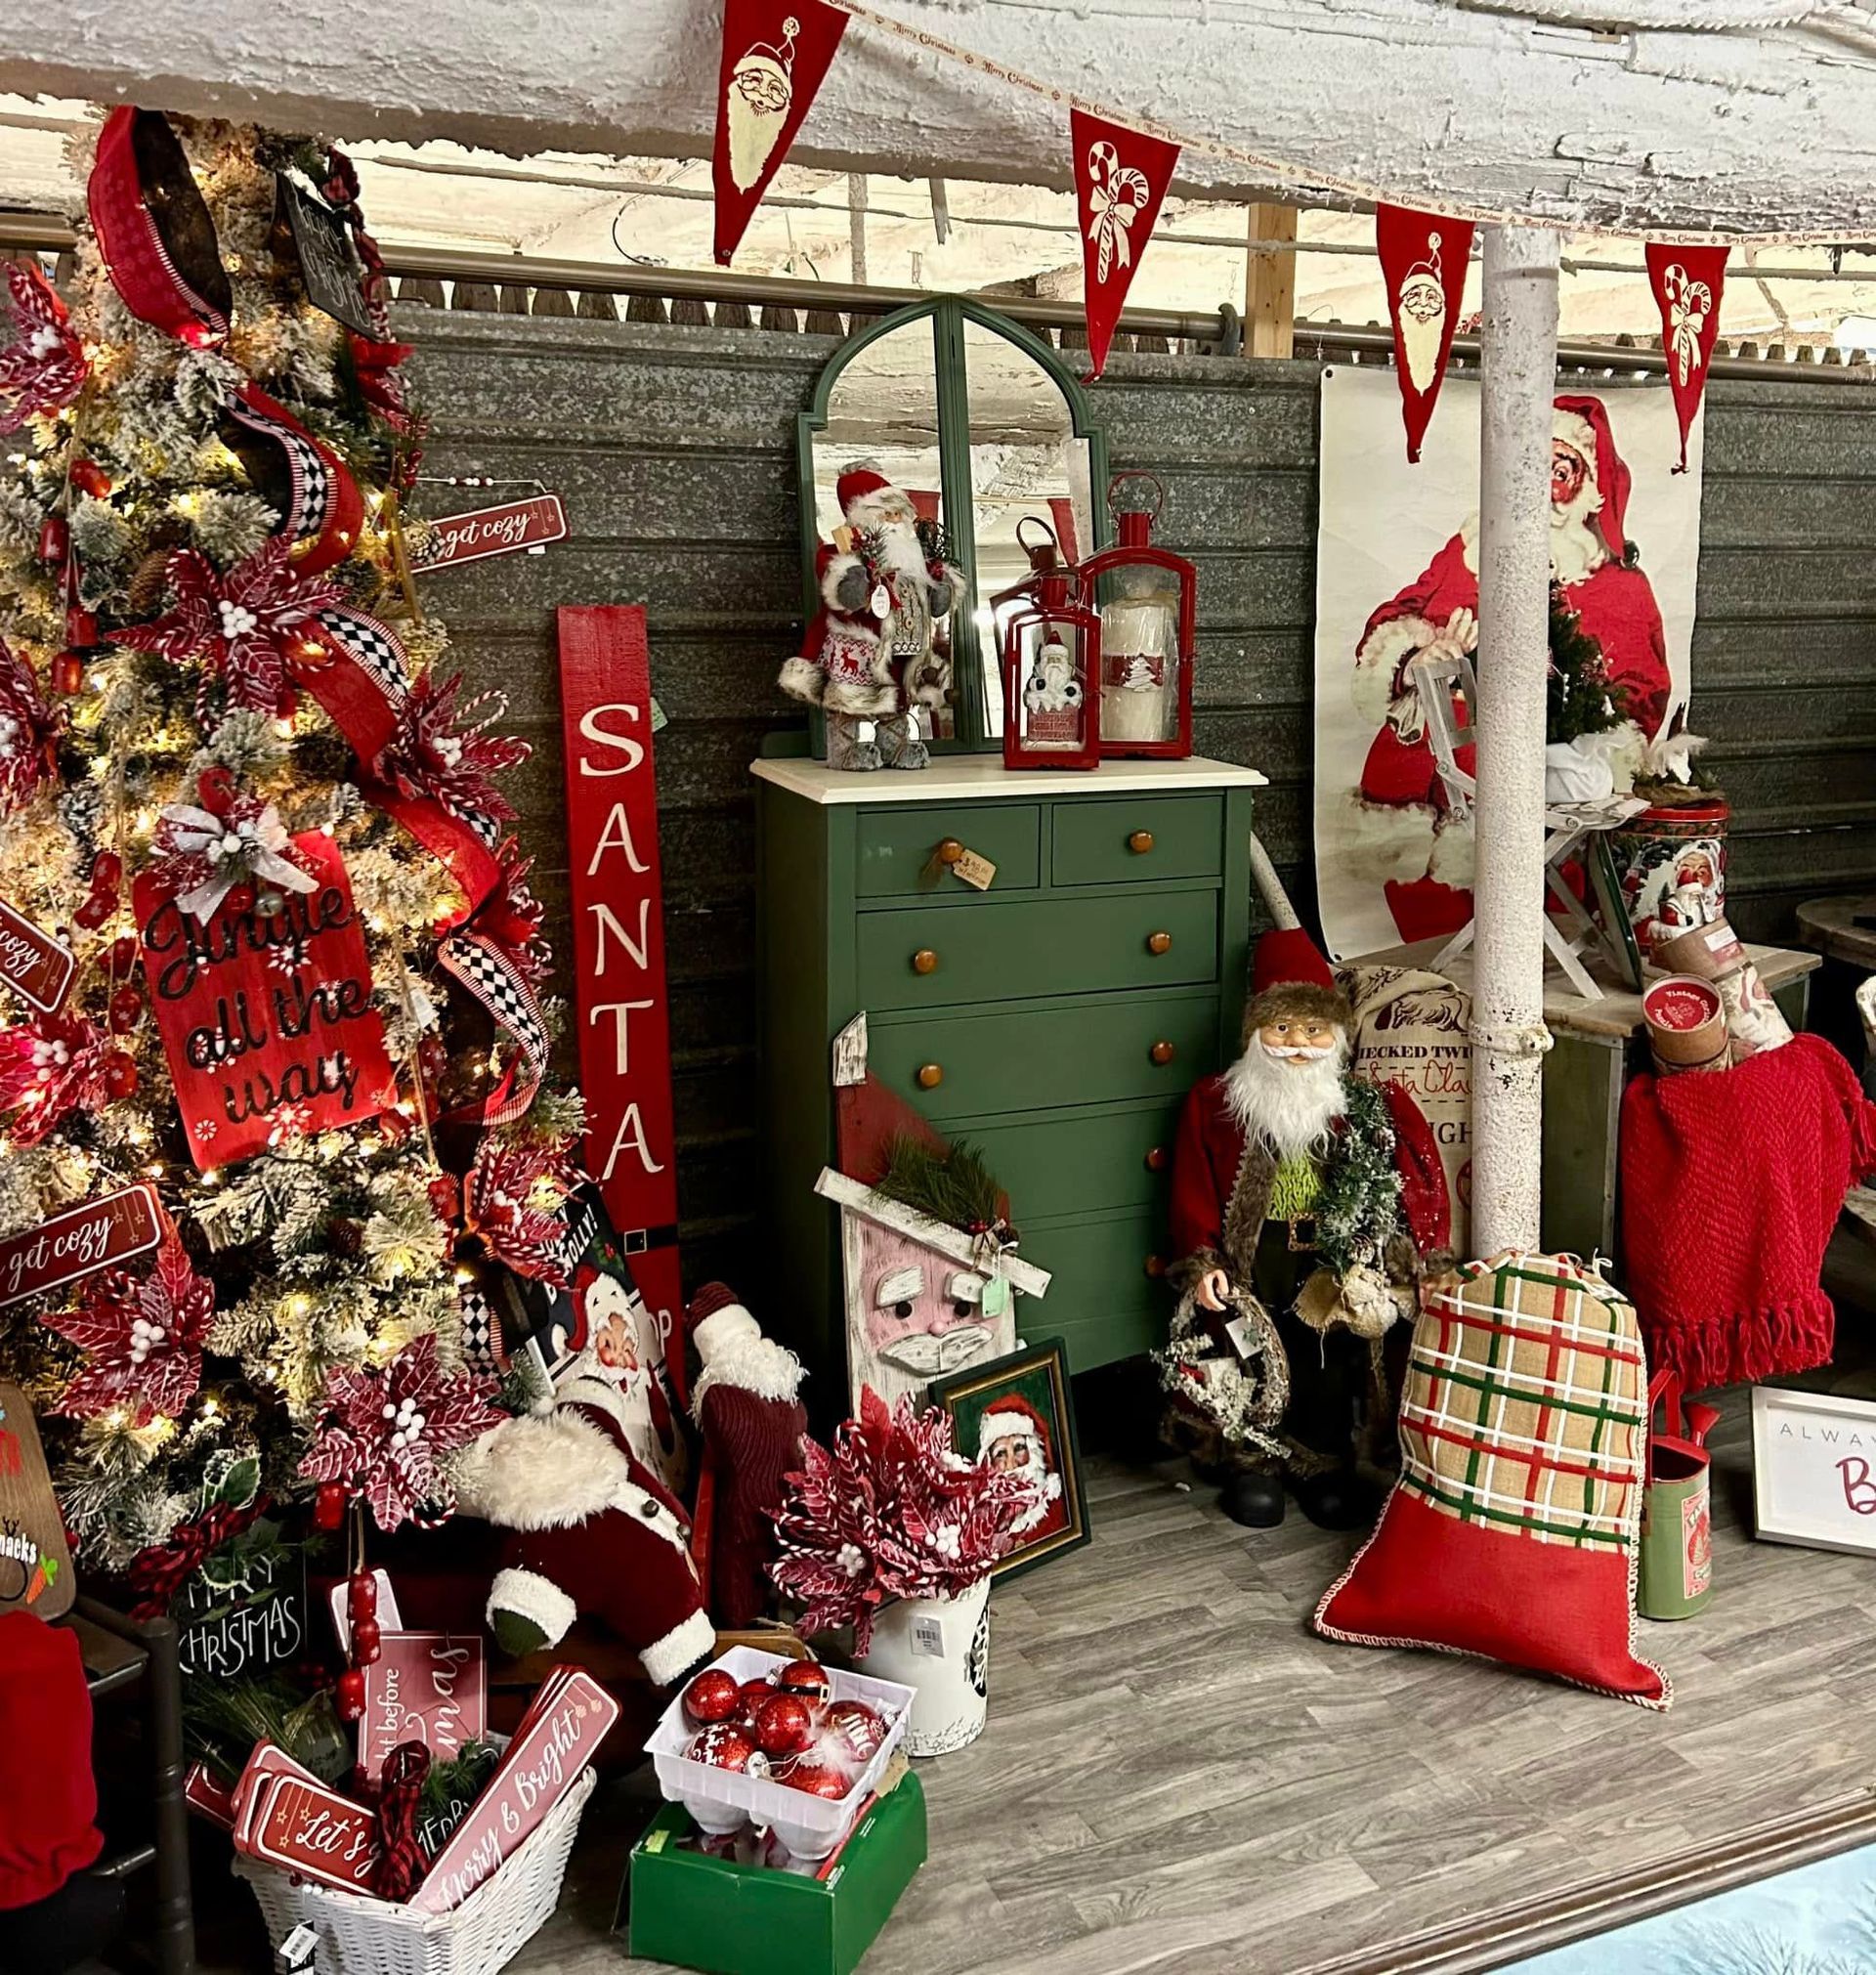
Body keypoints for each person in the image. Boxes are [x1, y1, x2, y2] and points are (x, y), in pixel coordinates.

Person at [1352, 396, 1673, 943]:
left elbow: (1641, 696)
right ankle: (1444, 950)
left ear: (1588, 488)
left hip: (1546, 768)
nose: (1543, 487)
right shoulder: (1468, 552)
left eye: (1562, 471)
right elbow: (1395, 617)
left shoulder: (1621, 587)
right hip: (1441, 770)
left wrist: (1574, 720)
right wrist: (1418, 657)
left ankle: (1519, 944)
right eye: (1531, 470)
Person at [1165, 928, 1450, 1529]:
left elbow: (1415, 1180)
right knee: (1249, 1356)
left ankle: (1322, 1463)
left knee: (1326, 1359)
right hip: (1255, 1257)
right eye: (1283, 1028)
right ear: (1256, 1032)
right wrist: (1203, 1261)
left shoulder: (1367, 1105)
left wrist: (1418, 1261)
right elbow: (1192, 1187)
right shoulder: (1216, 1105)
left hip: (1329, 1255)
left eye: (1315, 1030)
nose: (1298, 1044)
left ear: (1337, 1035)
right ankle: (1253, 1462)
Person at [976, 1395, 1068, 1541]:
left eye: (1019, 1448)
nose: (1011, 1464)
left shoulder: (1057, 1509)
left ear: (1033, 1451)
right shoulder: (980, 1523)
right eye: (1001, 1454)